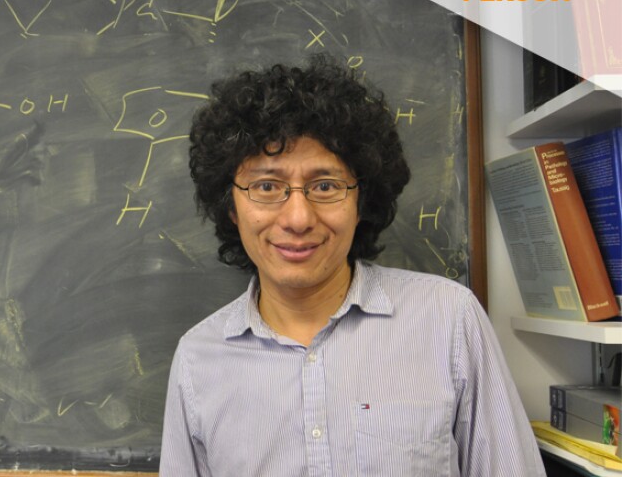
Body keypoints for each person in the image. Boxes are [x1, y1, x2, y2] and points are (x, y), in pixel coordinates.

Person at [159, 56, 546, 476]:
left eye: (325, 186)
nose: (298, 218)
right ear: (230, 207)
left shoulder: (449, 320)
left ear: (362, 200)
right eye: (266, 186)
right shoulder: (198, 359)